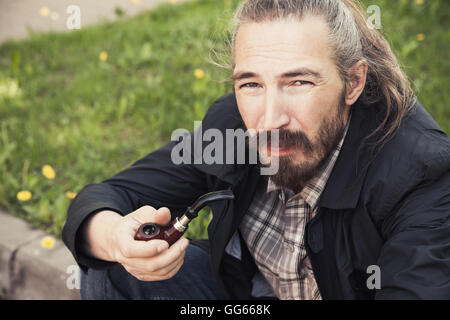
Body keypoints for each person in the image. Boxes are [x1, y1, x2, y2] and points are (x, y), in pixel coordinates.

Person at [62, 0, 450, 300]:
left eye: (298, 82)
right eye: (251, 84)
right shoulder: (233, 125)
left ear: (353, 83)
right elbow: (108, 196)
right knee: (112, 266)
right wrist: (118, 240)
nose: (269, 119)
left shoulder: (421, 173)